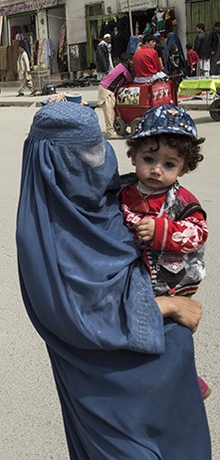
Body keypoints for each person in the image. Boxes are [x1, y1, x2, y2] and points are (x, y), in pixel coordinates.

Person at [16, 101, 211, 459]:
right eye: (83, 155)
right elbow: (78, 320)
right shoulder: (46, 237)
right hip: (107, 390)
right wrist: (167, 306)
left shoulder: (108, 196)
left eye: (98, 148)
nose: (97, 162)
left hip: (167, 382)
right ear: (51, 163)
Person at [118, 105, 211, 399]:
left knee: (171, 334)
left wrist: (163, 232)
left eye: (169, 164)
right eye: (149, 159)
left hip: (172, 282)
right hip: (136, 276)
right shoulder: (123, 190)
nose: (156, 169)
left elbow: (199, 233)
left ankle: (187, 378)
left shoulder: (181, 201)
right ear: (133, 155)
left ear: (184, 167)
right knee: (141, 332)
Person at [97, 53, 134, 139]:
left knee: (112, 111)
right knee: (109, 112)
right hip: (106, 89)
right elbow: (130, 79)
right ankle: (110, 133)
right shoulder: (124, 69)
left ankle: (114, 130)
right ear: (128, 61)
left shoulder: (120, 66)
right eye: (132, 61)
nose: (133, 62)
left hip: (106, 88)